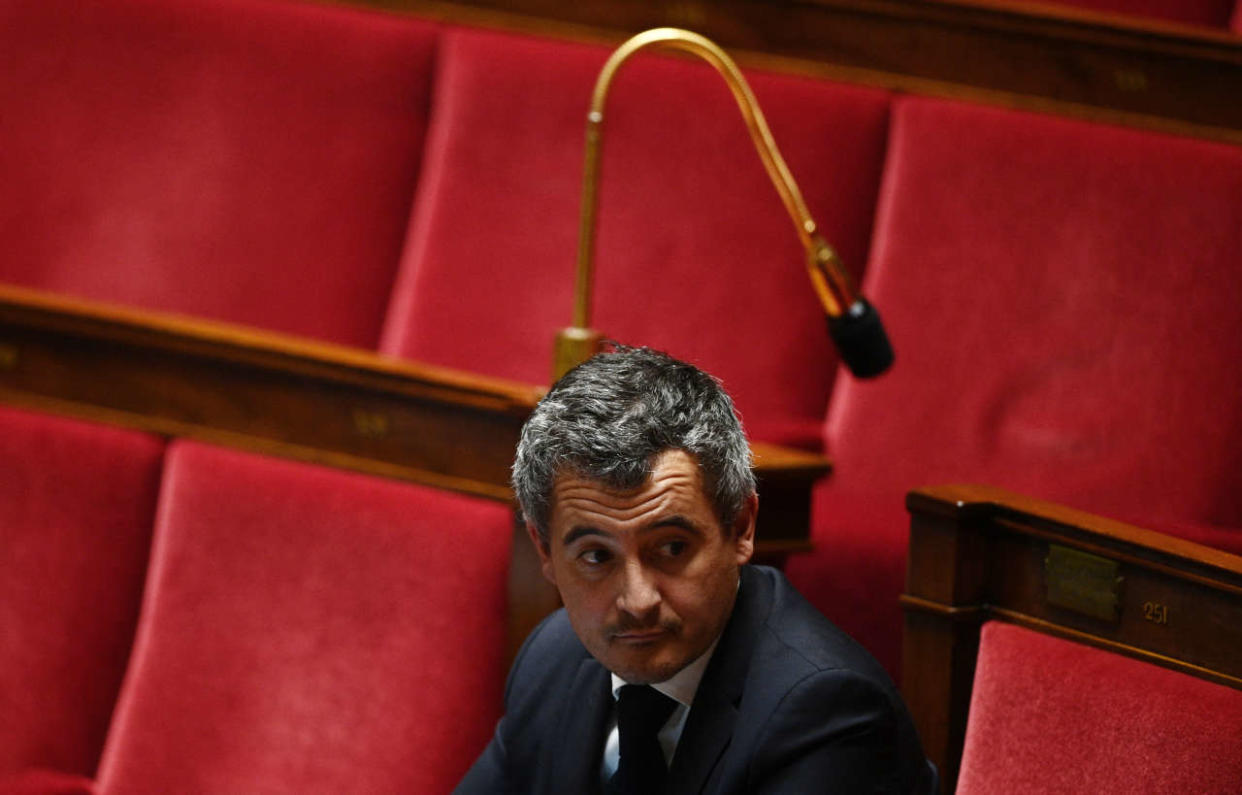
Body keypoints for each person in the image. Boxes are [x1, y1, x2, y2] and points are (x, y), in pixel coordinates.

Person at [456, 346, 935, 794]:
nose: (638, 600)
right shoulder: (553, 658)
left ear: (741, 528)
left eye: (671, 548)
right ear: (544, 552)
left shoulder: (825, 712)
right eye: (597, 557)